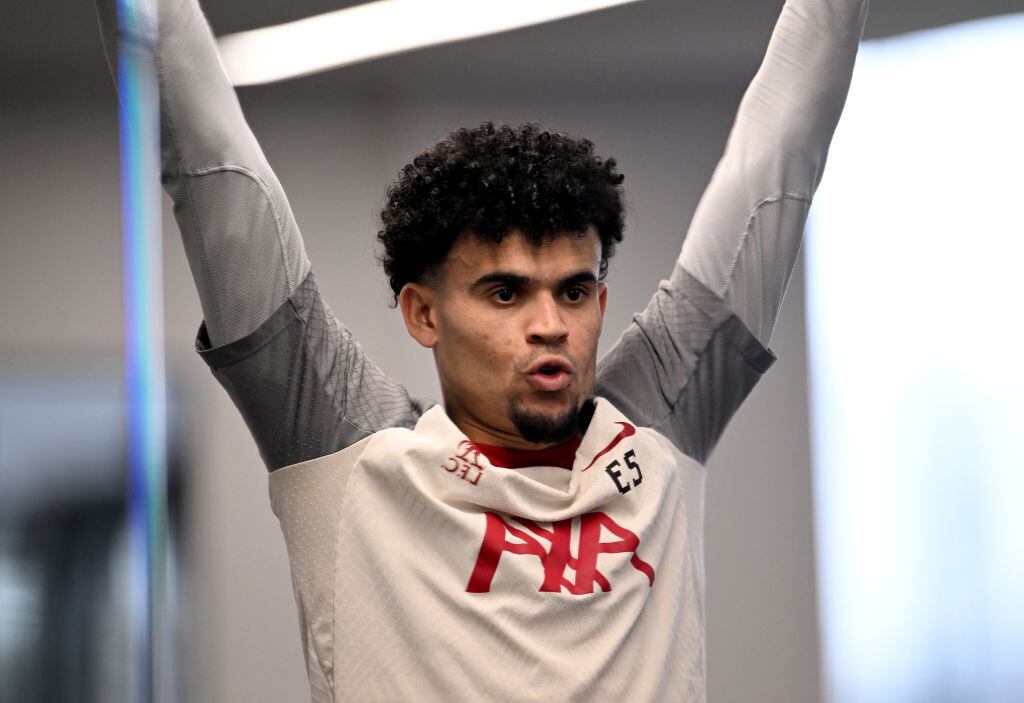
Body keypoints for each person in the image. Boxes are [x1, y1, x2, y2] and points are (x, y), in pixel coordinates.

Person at [97, 0, 868, 700]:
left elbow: (781, 152)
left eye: (572, 292)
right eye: (505, 293)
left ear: (600, 303)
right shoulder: (350, 458)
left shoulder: (655, 433)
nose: (550, 324)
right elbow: (206, 163)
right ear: (422, 312)